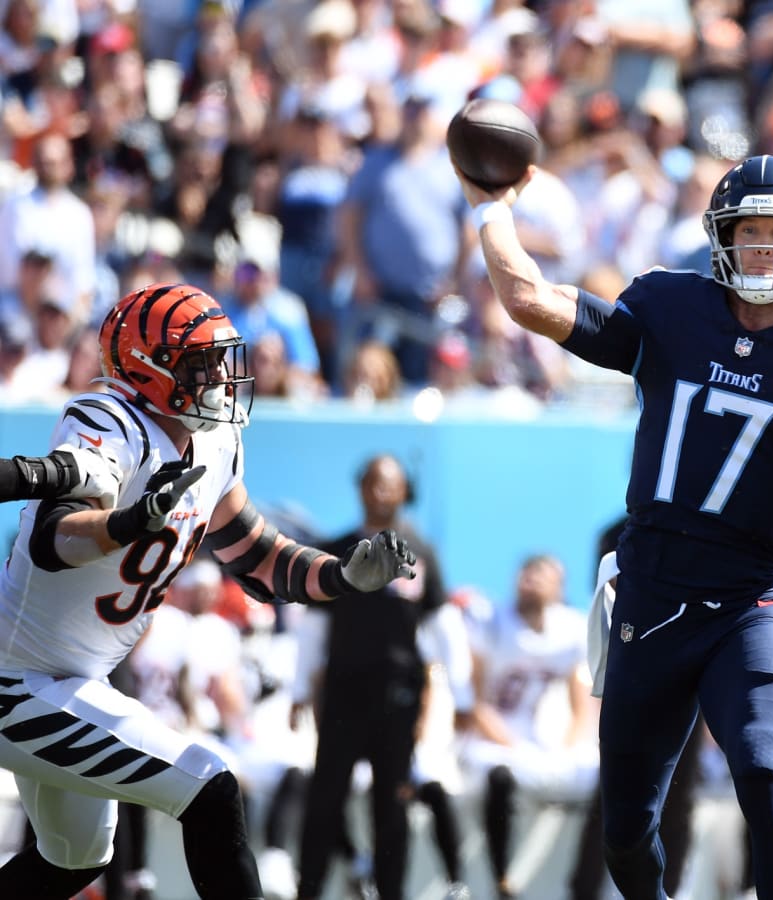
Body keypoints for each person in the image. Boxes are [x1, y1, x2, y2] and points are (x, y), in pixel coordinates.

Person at [456, 152, 773, 899]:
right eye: (748, 230)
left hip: (745, 602)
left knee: (763, 766)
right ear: (722, 236)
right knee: (627, 830)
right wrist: (491, 209)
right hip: (652, 597)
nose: (762, 248)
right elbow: (530, 300)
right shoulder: (669, 310)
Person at [0, 282, 417, 899]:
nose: (222, 375)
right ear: (150, 368)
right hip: (17, 683)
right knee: (210, 786)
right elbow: (56, 540)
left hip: (74, 682)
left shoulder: (216, 442)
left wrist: (341, 576)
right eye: (202, 361)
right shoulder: (109, 419)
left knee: (74, 859)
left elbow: (255, 557)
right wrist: (126, 524)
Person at [295, 453, 460, 900]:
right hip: (344, 690)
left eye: (390, 483)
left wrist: (460, 699)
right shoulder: (336, 547)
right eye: (372, 482)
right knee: (325, 797)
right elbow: (313, 626)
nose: (381, 491)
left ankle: (391, 893)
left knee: (391, 805)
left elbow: (442, 627)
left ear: (405, 491)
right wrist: (299, 690)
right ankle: (307, 890)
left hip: (398, 695)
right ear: (360, 488)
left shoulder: (420, 551)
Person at [459, 553, 595, 900]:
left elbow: (582, 705)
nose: (531, 579)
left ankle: (588, 883)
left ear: (559, 587)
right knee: (500, 774)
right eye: (526, 572)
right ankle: (501, 876)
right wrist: (514, 747)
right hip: (488, 741)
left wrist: (567, 749)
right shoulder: (490, 620)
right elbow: (475, 703)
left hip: (539, 745)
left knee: (605, 775)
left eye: (541, 573)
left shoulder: (570, 628)